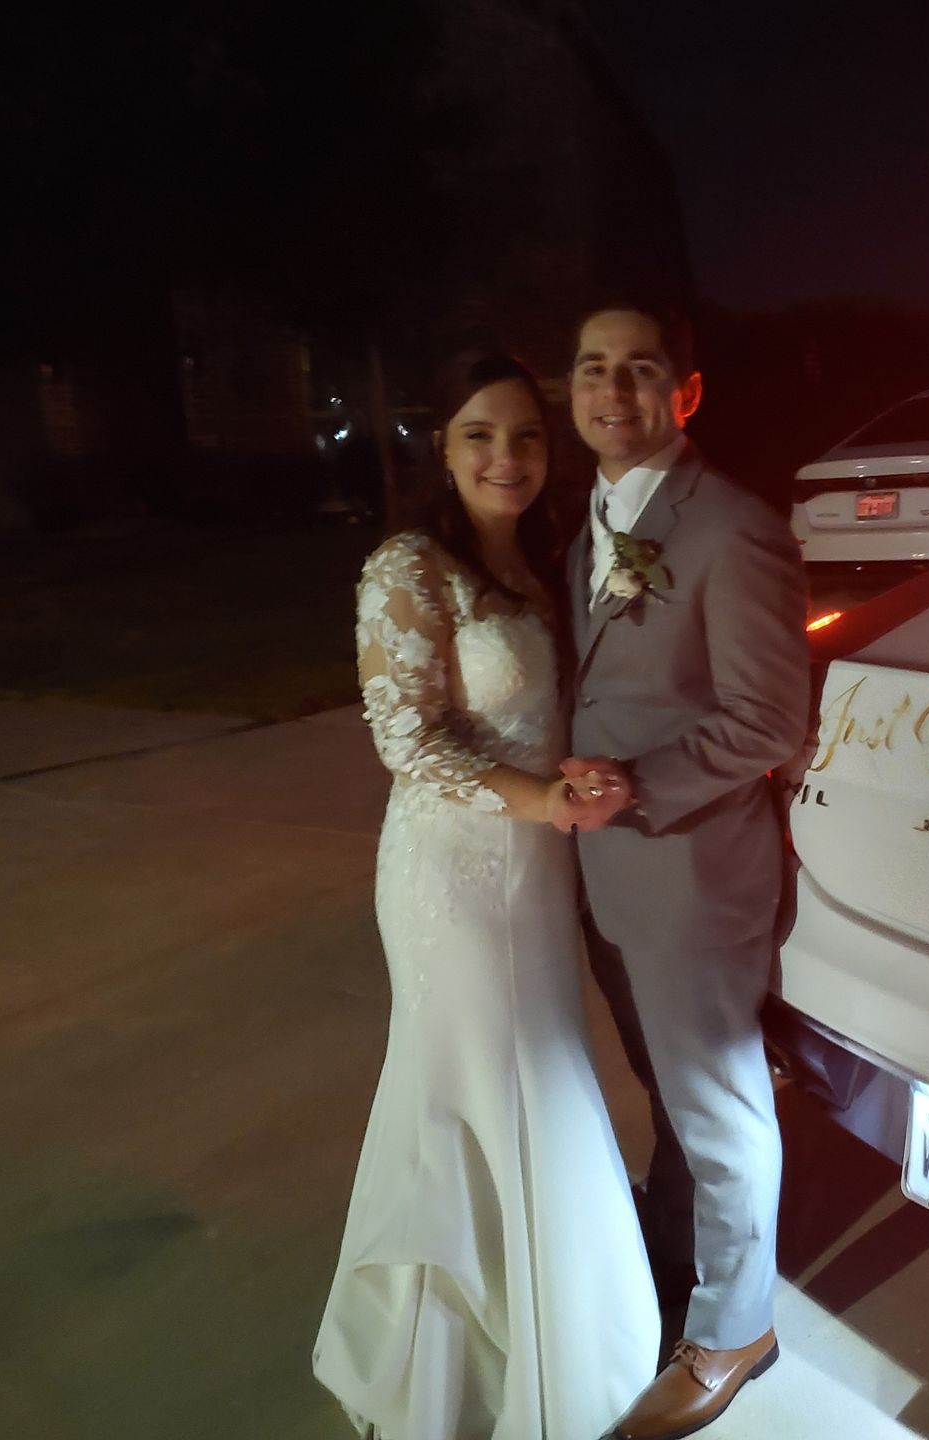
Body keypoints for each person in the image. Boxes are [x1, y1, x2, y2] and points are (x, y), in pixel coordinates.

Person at [313, 348, 659, 1439]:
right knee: (477, 1079)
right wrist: (540, 799)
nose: (505, 456)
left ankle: (545, 1326)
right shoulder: (409, 567)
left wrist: (584, 782)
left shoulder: (546, 563)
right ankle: (457, 1362)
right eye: (479, 434)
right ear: (441, 446)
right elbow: (407, 736)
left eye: (524, 436)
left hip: (540, 867)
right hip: (452, 874)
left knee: (542, 1071)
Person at [561, 302, 811, 1440]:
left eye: (640, 369)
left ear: (687, 392)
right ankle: (683, 1257)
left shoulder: (735, 526)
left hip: (693, 867)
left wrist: (637, 787)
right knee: (675, 1096)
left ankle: (733, 1329)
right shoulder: (595, 521)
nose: (613, 390)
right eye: (592, 368)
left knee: (719, 1106)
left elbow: (769, 720)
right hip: (614, 872)